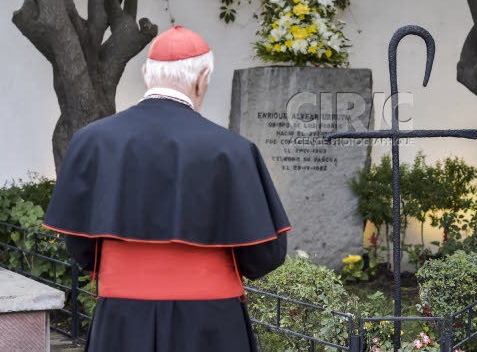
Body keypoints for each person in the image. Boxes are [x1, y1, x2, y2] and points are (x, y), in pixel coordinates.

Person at [43, 25, 291, 352]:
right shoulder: (233, 150)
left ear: (147, 74)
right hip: (211, 324)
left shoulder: (91, 141)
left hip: (122, 319)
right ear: (203, 78)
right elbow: (265, 255)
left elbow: (80, 245)